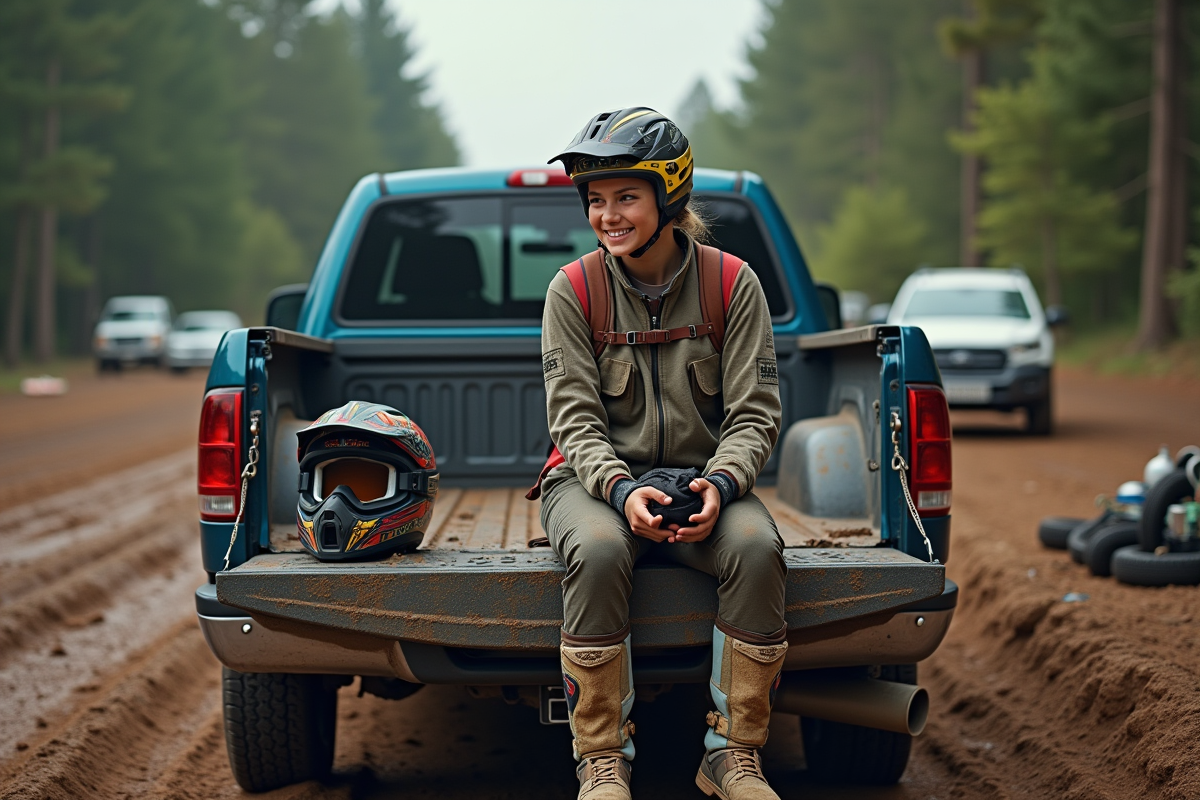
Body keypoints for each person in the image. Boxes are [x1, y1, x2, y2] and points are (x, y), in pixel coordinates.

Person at [537, 107, 788, 800]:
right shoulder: (573, 290)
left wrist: (722, 484)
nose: (608, 215)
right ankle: (602, 760)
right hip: (591, 485)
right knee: (597, 552)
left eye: (626, 196)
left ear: (669, 195)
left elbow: (755, 412)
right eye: (596, 199)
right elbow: (574, 421)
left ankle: (733, 755)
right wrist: (621, 491)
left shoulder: (732, 284)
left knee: (757, 550)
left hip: (705, 483)